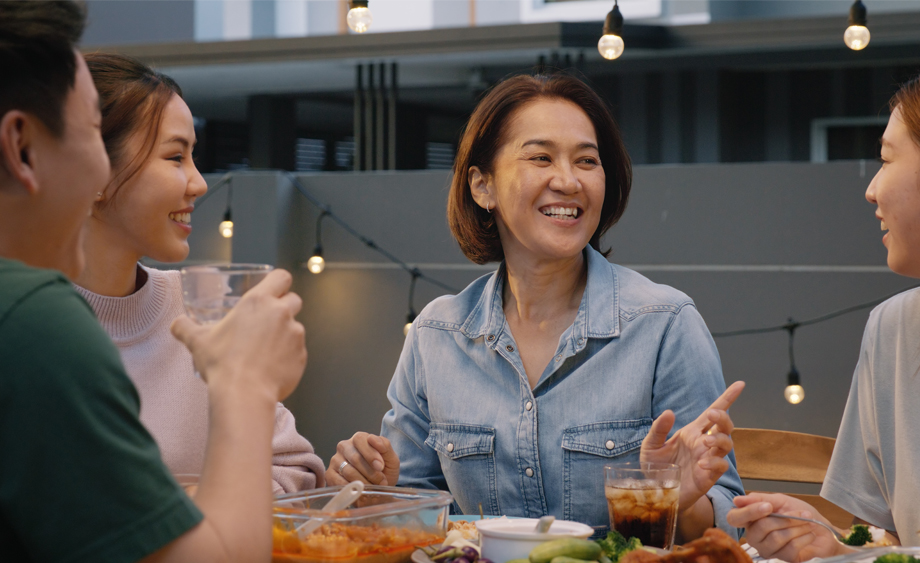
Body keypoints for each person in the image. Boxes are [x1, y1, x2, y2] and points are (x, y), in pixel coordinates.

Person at [325, 73, 746, 541]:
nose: (568, 181)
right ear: (482, 187)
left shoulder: (665, 325)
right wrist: (376, 493)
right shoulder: (436, 335)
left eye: (587, 161)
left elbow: (730, 525)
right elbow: (414, 514)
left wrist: (674, 502)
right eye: (541, 157)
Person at [0, 2, 306, 561]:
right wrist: (246, 382)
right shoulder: (33, 322)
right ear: (21, 146)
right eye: (92, 131)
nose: (197, 184)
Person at [72, 52, 324, 494]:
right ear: (95, 169)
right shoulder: (30, 326)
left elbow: (296, 472)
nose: (199, 182)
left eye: (194, 156)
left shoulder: (203, 308)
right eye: (175, 157)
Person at [726, 75, 920, 560]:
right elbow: (888, 539)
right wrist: (831, 543)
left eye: (886, 159)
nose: (872, 190)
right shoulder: (892, 330)